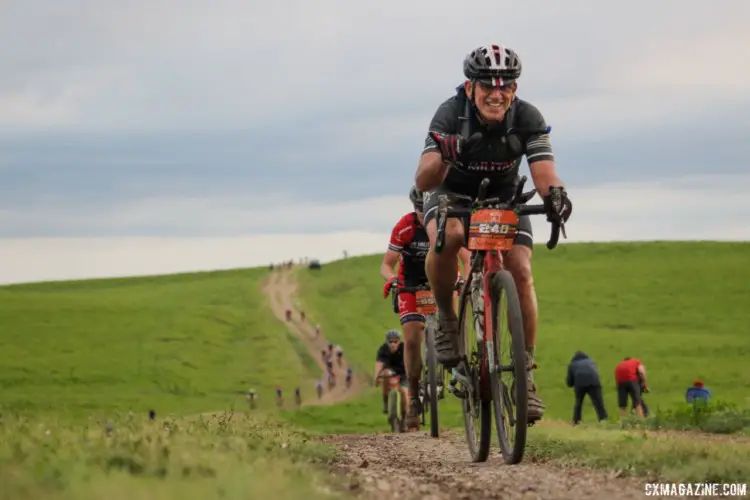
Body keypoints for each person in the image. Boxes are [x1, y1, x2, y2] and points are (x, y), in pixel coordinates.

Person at [414, 43, 572, 424]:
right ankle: (449, 324)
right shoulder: (450, 113)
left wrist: (556, 196)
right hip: (452, 193)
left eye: (505, 86)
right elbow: (423, 179)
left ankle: (526, 374)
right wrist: (445, 155)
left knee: (521, 269)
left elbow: (544, 172)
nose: (496, 94)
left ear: (514, 90)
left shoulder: (528, 116)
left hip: (503, 196)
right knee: (449, 235)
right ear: (471, 87)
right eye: (488, 85)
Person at [380, 186, 471, 431]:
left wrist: (466, 279)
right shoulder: (405, 226)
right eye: (419, 210)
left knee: (452, 324)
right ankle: (412, 397)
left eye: (425, 209)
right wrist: (392, 280)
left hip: (441, 281)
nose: (423, 214)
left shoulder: (445, 222)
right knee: (411, 338)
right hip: (410, 283)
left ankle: (459, 371)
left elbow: (465, 256)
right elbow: (387, 264)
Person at [373, 329, 409, 420]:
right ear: (386, 342)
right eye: (390, 342)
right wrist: (376, 377)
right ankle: (385, 402)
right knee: (385, 374)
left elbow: (412, 362)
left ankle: (405, 416)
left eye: (395, 342)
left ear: (399, 341)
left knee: (404, 392)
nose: (393, 344)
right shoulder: (383, 349)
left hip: (404, 372)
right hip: (391, 371)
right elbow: (379, 364)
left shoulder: (405, 348)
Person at [566, 351, 608, 424]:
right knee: (599, 402)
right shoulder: (591, 361)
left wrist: (570, 384)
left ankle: (576, 421)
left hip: (580, 383)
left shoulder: (572, 364)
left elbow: (569, 381)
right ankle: (603, 419)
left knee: (578, 402)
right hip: (594, 382)